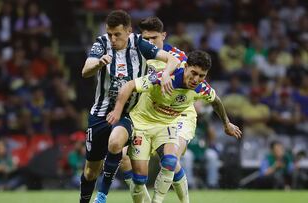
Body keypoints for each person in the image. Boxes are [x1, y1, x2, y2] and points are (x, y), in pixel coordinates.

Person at [107, 50, 242, 203]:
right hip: (143, 125)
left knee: (171, 162)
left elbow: (216, 101)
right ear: (185, 67)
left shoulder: (201, 88)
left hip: (167, 125)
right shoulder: (164, 79)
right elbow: (131, 85)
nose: (196, 79)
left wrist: (226, 123)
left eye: (202, 75)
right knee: (139, 179)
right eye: (193, 73)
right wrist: (117, 111)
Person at [80, 10, 180, 203]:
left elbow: (172, 60)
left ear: (128, 31)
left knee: (116, 143)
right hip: (99, 114)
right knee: (90, 171)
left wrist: (167, 73)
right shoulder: (101, 44)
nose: (112, 38)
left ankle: (101, 197)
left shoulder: (139, 44)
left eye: (117, 34)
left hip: (127, 113)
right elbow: (85, 71)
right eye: (110, 34)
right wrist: (98, 64)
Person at [119, 16, 190, 203]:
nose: (150, 42)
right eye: (146, 38)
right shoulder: (137, 55)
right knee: (123, 157)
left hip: (177, 114)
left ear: (164, 35)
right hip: (144, 114)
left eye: (154, 38)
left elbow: (194, 84)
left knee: (171, 160)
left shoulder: (179, 57)